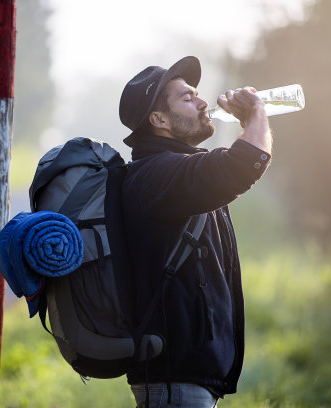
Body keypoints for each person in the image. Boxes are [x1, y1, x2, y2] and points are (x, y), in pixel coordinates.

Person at [119, 56, 272, 408]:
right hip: (175, 386)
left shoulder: (171, 171)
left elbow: (227, 166)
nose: (204, 103)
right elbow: (242, 164)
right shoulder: (157, 175)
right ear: (158, 119)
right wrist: (255, 115)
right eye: (187, 98)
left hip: (183, 383)